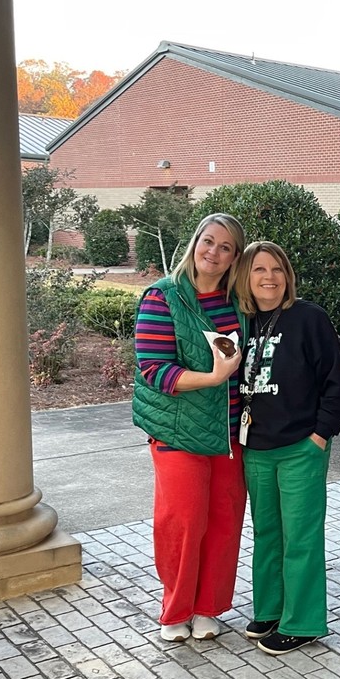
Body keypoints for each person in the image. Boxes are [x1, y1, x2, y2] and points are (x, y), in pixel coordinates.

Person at [234, 242, 340, 655]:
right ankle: (271, 609)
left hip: (301, 446)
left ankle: (303, 622)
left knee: (300, 536)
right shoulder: (242, 322)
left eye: (277, 269)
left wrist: (320, 435)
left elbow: (339, 385)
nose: (269, 277)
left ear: (287, 276)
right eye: (258, 270)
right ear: (244, 278)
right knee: (267, 534)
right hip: (257, 448)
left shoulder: (309, 318)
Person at [133, 213, 247, 642]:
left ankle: (207, 608)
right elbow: (154, 370)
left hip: (230, 432)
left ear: (234, 257)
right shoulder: (162, 297)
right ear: (195, 240)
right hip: (177, 432)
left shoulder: (238, 300)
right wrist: (213, 378)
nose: (213, 253)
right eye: (209, 241)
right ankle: (175, 609)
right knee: (182, 522)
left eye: (226, 247)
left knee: (223, 521)